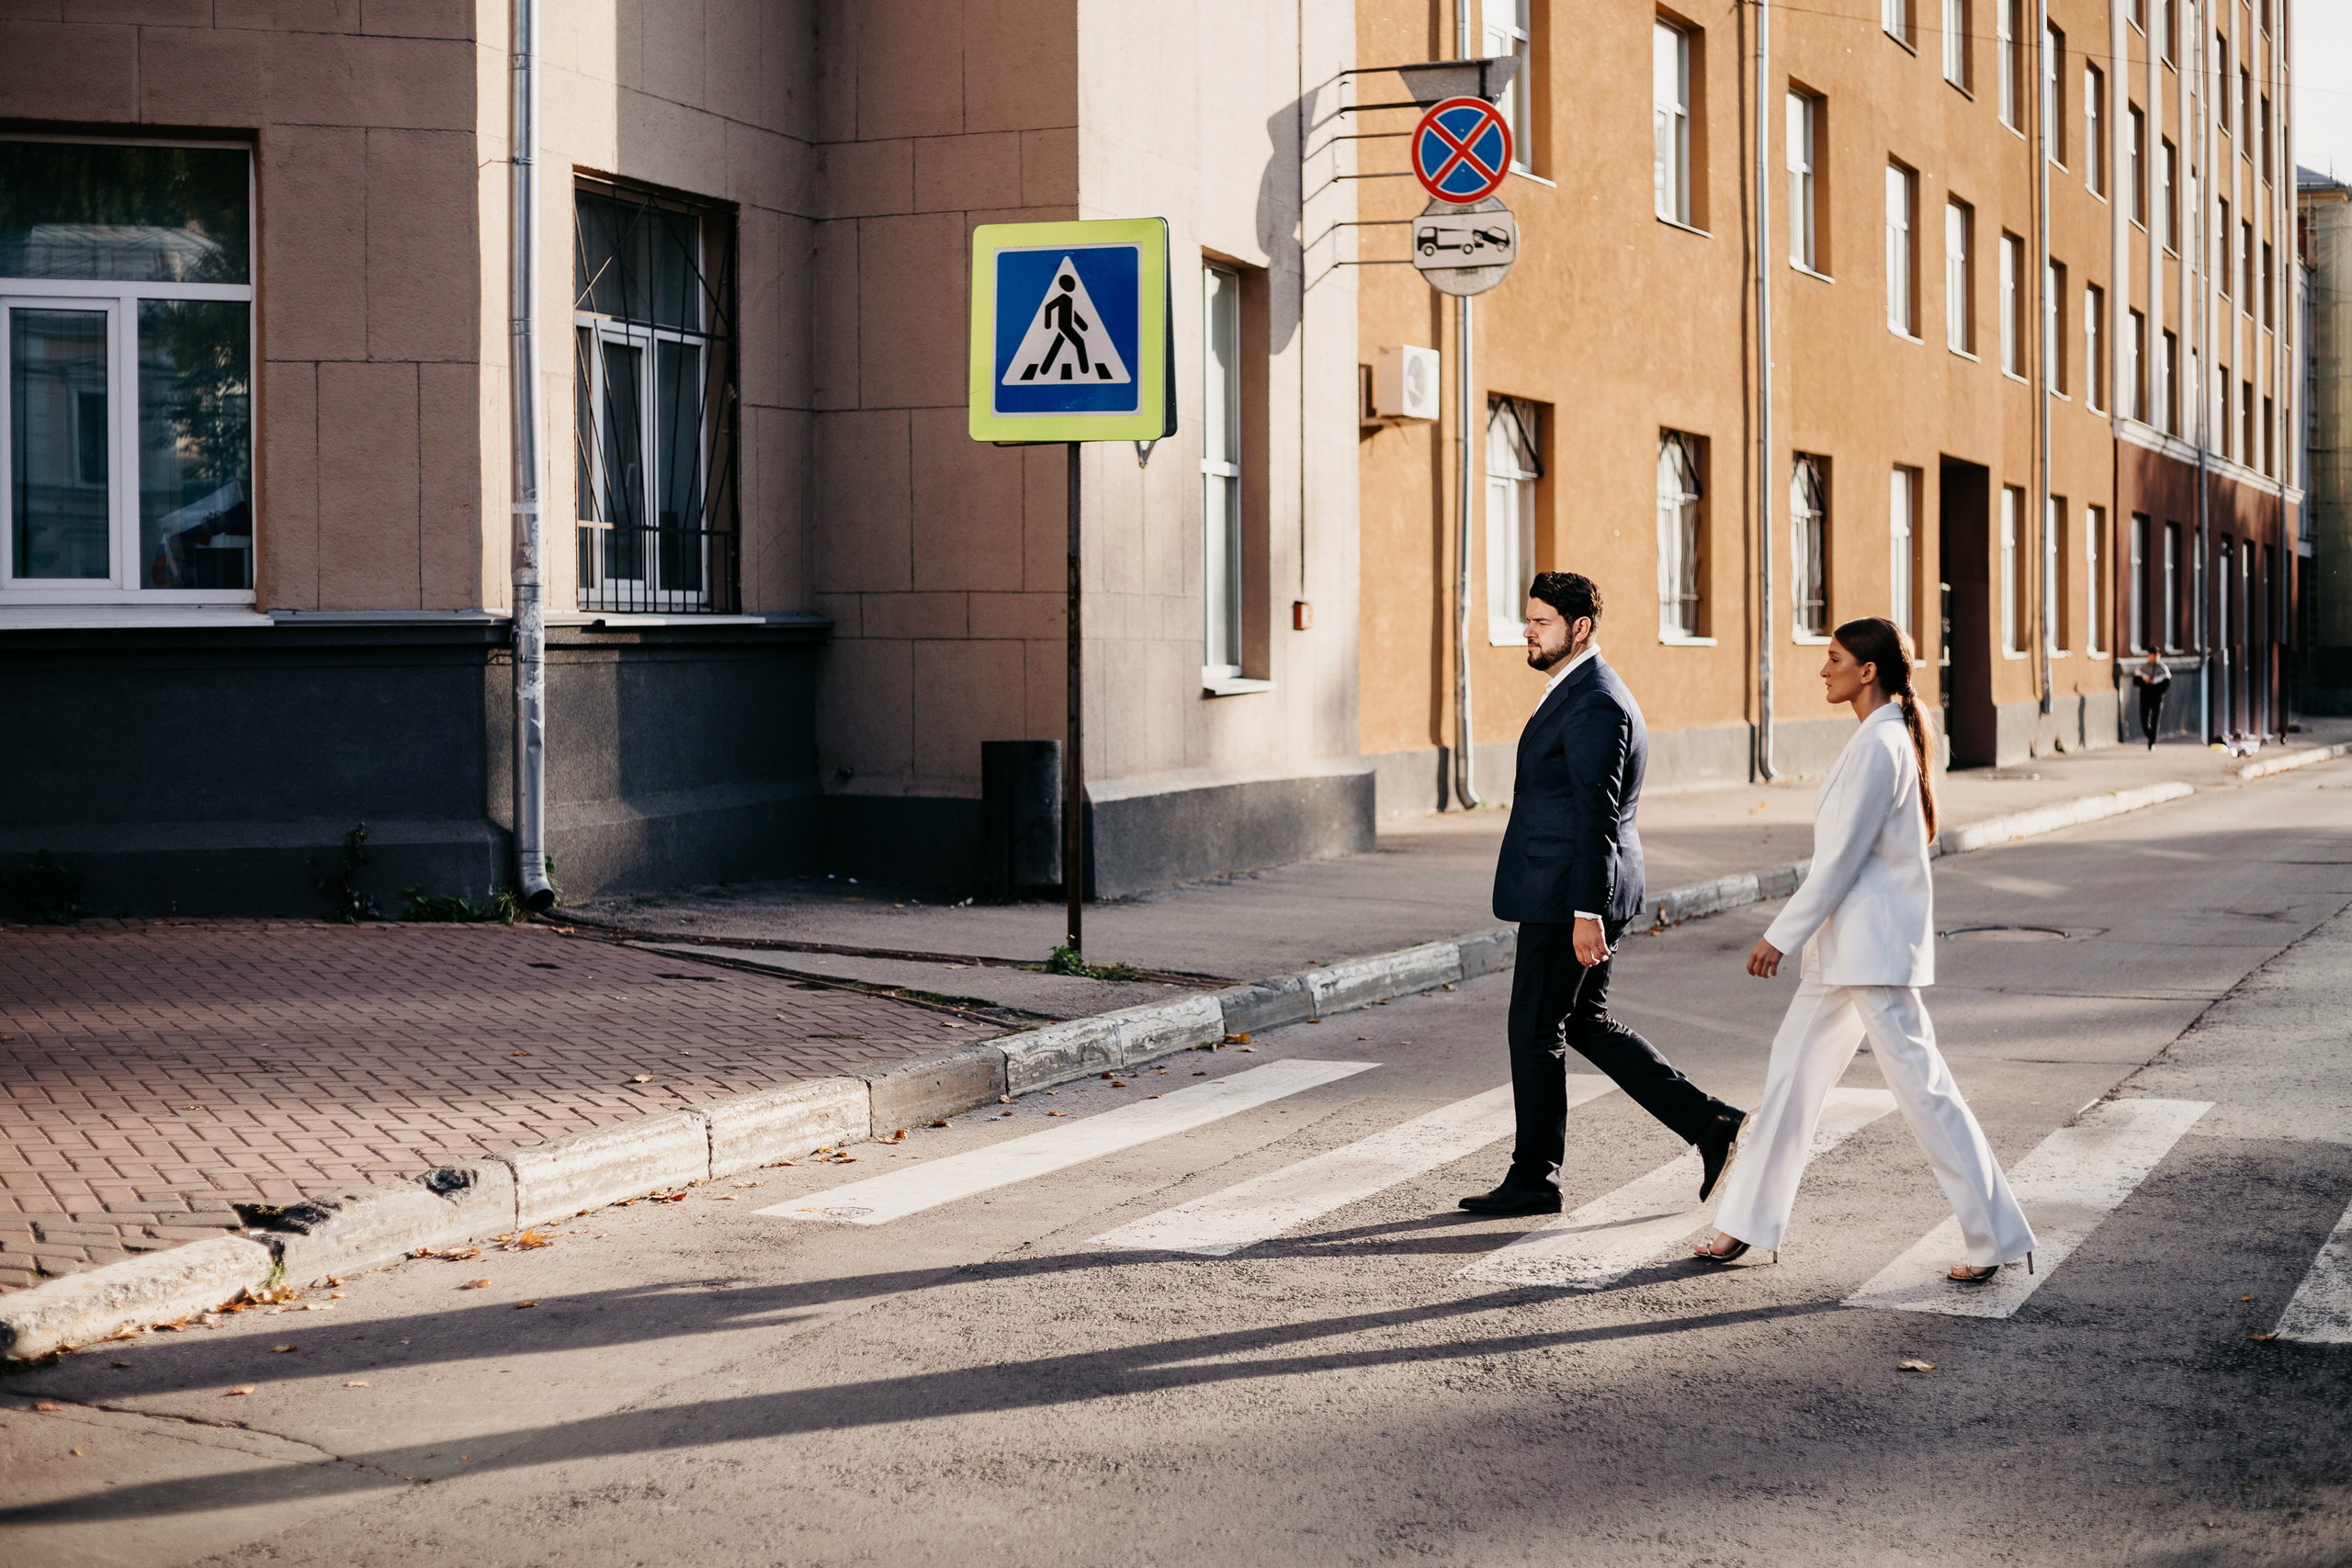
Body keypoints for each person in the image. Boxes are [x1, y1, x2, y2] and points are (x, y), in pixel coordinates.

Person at [1694, 617, 2036, 1283]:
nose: (1824, 670)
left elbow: (1843, 859)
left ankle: (1996, 1234)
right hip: (1848, 952)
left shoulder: (1882, 744)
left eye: (1835, 659)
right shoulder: (1874, 738)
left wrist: (1778, 936)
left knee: (1926, 1092)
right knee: (1790, 1078)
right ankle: (1743, 1226)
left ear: (1868, 670)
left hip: (1873, 954)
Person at [1462, 572, 1747, 1216]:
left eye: (1540, 622)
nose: (1526, 632)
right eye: (1528, 619)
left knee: (1535, 1029)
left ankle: (1535, 1177)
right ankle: (1711, 1124)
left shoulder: (1594, 701)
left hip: (1569, 895)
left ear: (1579, 628)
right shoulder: (1576, 691)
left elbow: (1596, 813)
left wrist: (1586, 912)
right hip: (1567, 889)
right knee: (1582, 1023)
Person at [2132, 649, 2172, 750]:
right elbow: (2135, 681)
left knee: (2155, 720)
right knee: (2144, 720)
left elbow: (2167, 683)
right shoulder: (2142, 668)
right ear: (2148, 655)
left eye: (2157, 655)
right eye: (2152, 655)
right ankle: (2150, 736)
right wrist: (2144, 681)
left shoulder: (2163, 669)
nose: (2154, 657)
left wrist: (2158, 689)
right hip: (2145, 696)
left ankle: (2151, 742)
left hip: (2157, 697)